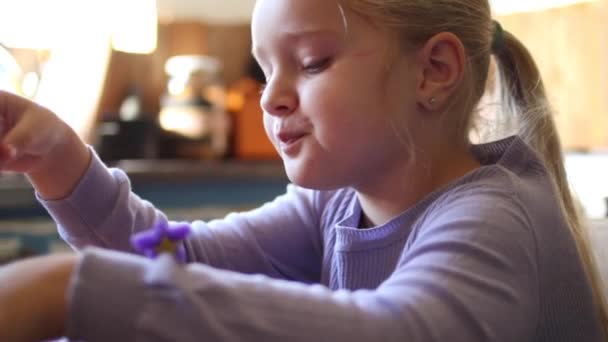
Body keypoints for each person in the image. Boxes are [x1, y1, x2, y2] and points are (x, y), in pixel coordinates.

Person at [0, 0, 606, 341]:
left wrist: (73, 290)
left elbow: (411, 331)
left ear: (433, 71)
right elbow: (171, 255)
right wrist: (61, 162)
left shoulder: (495, 214)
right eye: (266, 71)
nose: (269, 99)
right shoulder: (336, 203)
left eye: (312, 62)